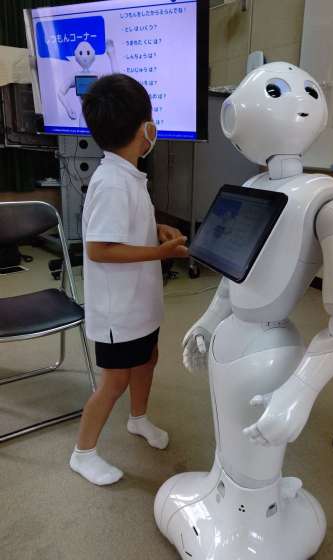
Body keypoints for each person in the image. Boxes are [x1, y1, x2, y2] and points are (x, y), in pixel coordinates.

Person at [69, 74, 188, 486]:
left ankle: (138, 418)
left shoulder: (129, 175)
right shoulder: (112, 183)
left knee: (148, 358)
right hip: (118, 310)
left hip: (140, 302)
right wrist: (159, 254)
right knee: (115, 381)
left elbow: (125, 226)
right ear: (145, 129)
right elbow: (100, 248)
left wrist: (155, 229)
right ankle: (83, 453)